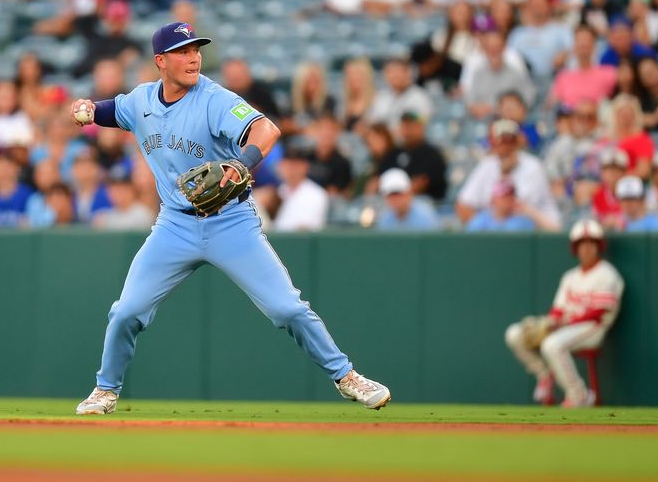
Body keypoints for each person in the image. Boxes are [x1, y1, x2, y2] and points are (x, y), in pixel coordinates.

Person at [69, 22, 390, 414]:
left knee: (286, 308)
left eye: (196, 50)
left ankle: (347, 377)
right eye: (183, 51)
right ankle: (105, 390)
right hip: (174, 225)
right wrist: (85, 109)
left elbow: (265, 129)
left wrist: (243, 163)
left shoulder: (214, 98)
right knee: (126, 311)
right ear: (160, 62)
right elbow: (109, 110)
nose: (193, 58)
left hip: (230, 221)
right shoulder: (141, 101)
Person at [505, 219, 624, 407]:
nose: (586, 248)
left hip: (593, 327)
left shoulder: (607, 274)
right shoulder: (570, 276)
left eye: (591, 243)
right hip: (567, 326)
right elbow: (558, 309)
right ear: (575, 248)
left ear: (598, 246)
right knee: (514, 333)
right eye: (582, 244)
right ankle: (543, 374)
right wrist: (550, 321)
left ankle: (579, 395)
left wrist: (565, 323)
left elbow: (599, 313)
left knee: (551, 345)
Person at [457, 119, 560, 226]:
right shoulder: (488, 165)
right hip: (502, 232)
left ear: (518, 142)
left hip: (539, 232)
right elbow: (463, 205)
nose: (506, 146)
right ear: (494, 143)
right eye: (502, 141)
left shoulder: (533, 166)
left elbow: (515, 208)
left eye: (510, 140)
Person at [465, 30, 536, 119]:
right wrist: (478, 108)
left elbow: (529, 96)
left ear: (504, 48)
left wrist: (508, 109)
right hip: (482, 122)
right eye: (490, 48)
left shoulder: (515, 73)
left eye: (497, 47)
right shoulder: (478, 74)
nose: (494, 52)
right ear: (485, 50)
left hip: (510, 123)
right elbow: (470, 102)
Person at [378, 111, 447, 201]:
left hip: (425, 203)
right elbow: (380, 179)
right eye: (405, 126)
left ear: (421, 127)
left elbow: (422, 183)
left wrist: (401, 198)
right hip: (392, 202)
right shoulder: (393, 153)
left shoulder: (431, 154)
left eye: (411, 126)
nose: (408, 131)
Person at [550, 26, 617, 109]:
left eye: (587, 40)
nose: (583, 44)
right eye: (579, 40)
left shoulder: (609, 73)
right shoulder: (563, 77)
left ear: (594, 46)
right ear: (574, 46)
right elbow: (550, 106)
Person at [367, 58, 432, 134]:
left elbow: (419, 123)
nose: (394, 75)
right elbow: (371, 122)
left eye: (398, 71)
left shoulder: (419, 97)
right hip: (382, 141)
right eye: (390, 72)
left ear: (408, 73)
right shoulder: (381, 97)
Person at [274, 146, 329, 231]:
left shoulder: (316, 194)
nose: (291, 169)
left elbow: (304, 231)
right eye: (288, 164)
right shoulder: (277, 192)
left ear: (305, 166)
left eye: (295, 165)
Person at [376, 168, 440, 231]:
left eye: (398, 193)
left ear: (409, 193)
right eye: (390, 195)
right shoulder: (385, 218)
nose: (395, 199)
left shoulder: (425, 215)